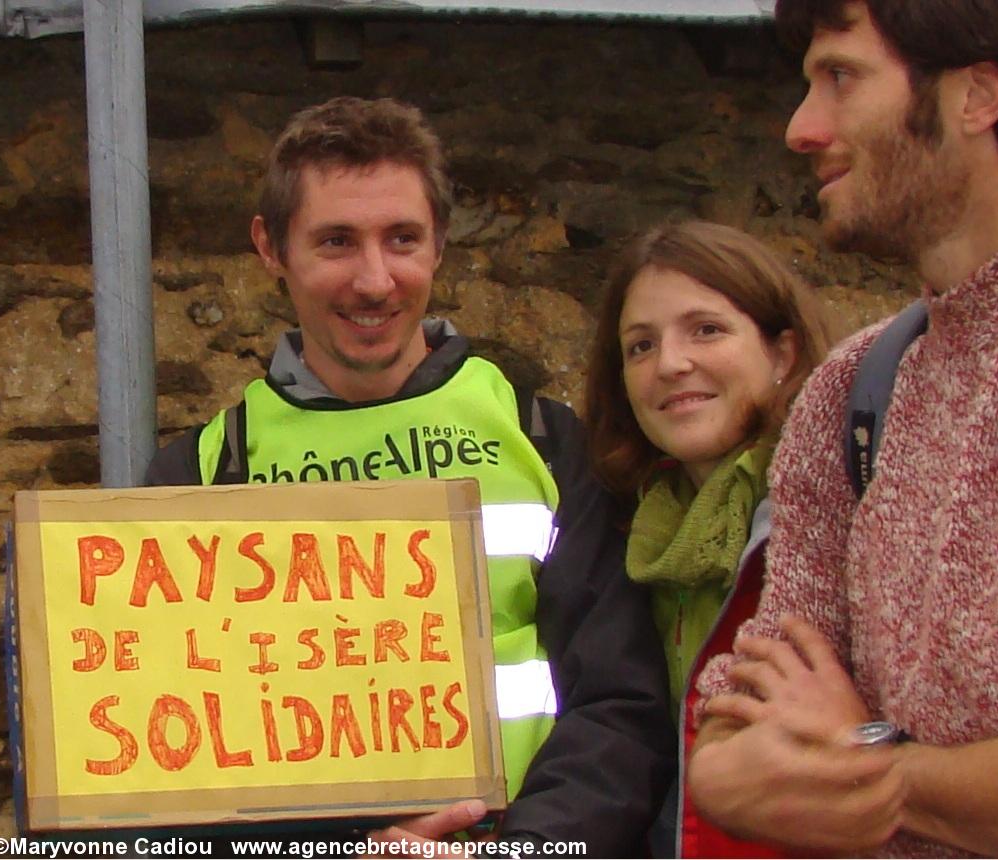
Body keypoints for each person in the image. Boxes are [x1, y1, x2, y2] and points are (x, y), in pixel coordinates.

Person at [146, 95, 675, 856]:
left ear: (440, 244)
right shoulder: (198, 475)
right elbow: (167, 745)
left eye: (402, 239)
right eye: (336, 241)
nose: (374, 280)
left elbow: (619, 707)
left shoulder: (546, 443)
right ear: (270, 247)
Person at [687, 0, 998, 856]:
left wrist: (857, 754)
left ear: (978, 95)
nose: (802, 129)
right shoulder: (852, 390)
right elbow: (725, 750)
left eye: (840, 77)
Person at [584, 221, 833, 857]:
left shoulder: (836, 513)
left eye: (707, 330)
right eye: (640, 346)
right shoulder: (623, 534)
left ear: (784, 353)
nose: (670, 363)